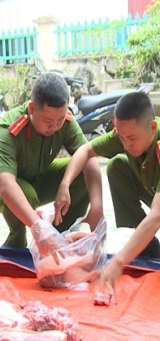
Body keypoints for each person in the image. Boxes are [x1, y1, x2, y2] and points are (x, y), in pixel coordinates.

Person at [55, 92, 160, 293]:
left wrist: (118, 262)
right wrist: (64, 184)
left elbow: (157, 215)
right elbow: (86, 151)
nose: (126, 144)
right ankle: (148, 245)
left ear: (152, 127)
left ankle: (143, 240)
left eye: (131, 139)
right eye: (122, 138)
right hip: (154, 190)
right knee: (117, 165)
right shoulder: (127, 134)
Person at [0, 72, 102, 251]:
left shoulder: (65, 120)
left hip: (40, 177)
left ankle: (62, 236)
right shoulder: (9, 128)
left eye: (60, 119)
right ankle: (16, 242)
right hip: (4, 186)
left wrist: (95, 204)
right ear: (32, 109)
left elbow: (88, 156)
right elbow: (6, 185)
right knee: (26, 194)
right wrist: (38, 227)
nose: (54, 126)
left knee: (80, 173)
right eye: (48, 120)